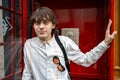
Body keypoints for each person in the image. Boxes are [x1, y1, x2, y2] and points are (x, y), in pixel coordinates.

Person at [22, 7, 117, 80]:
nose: (41, 27)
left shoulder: (64, 42)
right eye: (37, 23)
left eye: (46, 23)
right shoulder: (29, 45)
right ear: (33, 26)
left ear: (53, 25)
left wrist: (105, 43)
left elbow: (86, 60)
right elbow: (27, 72)